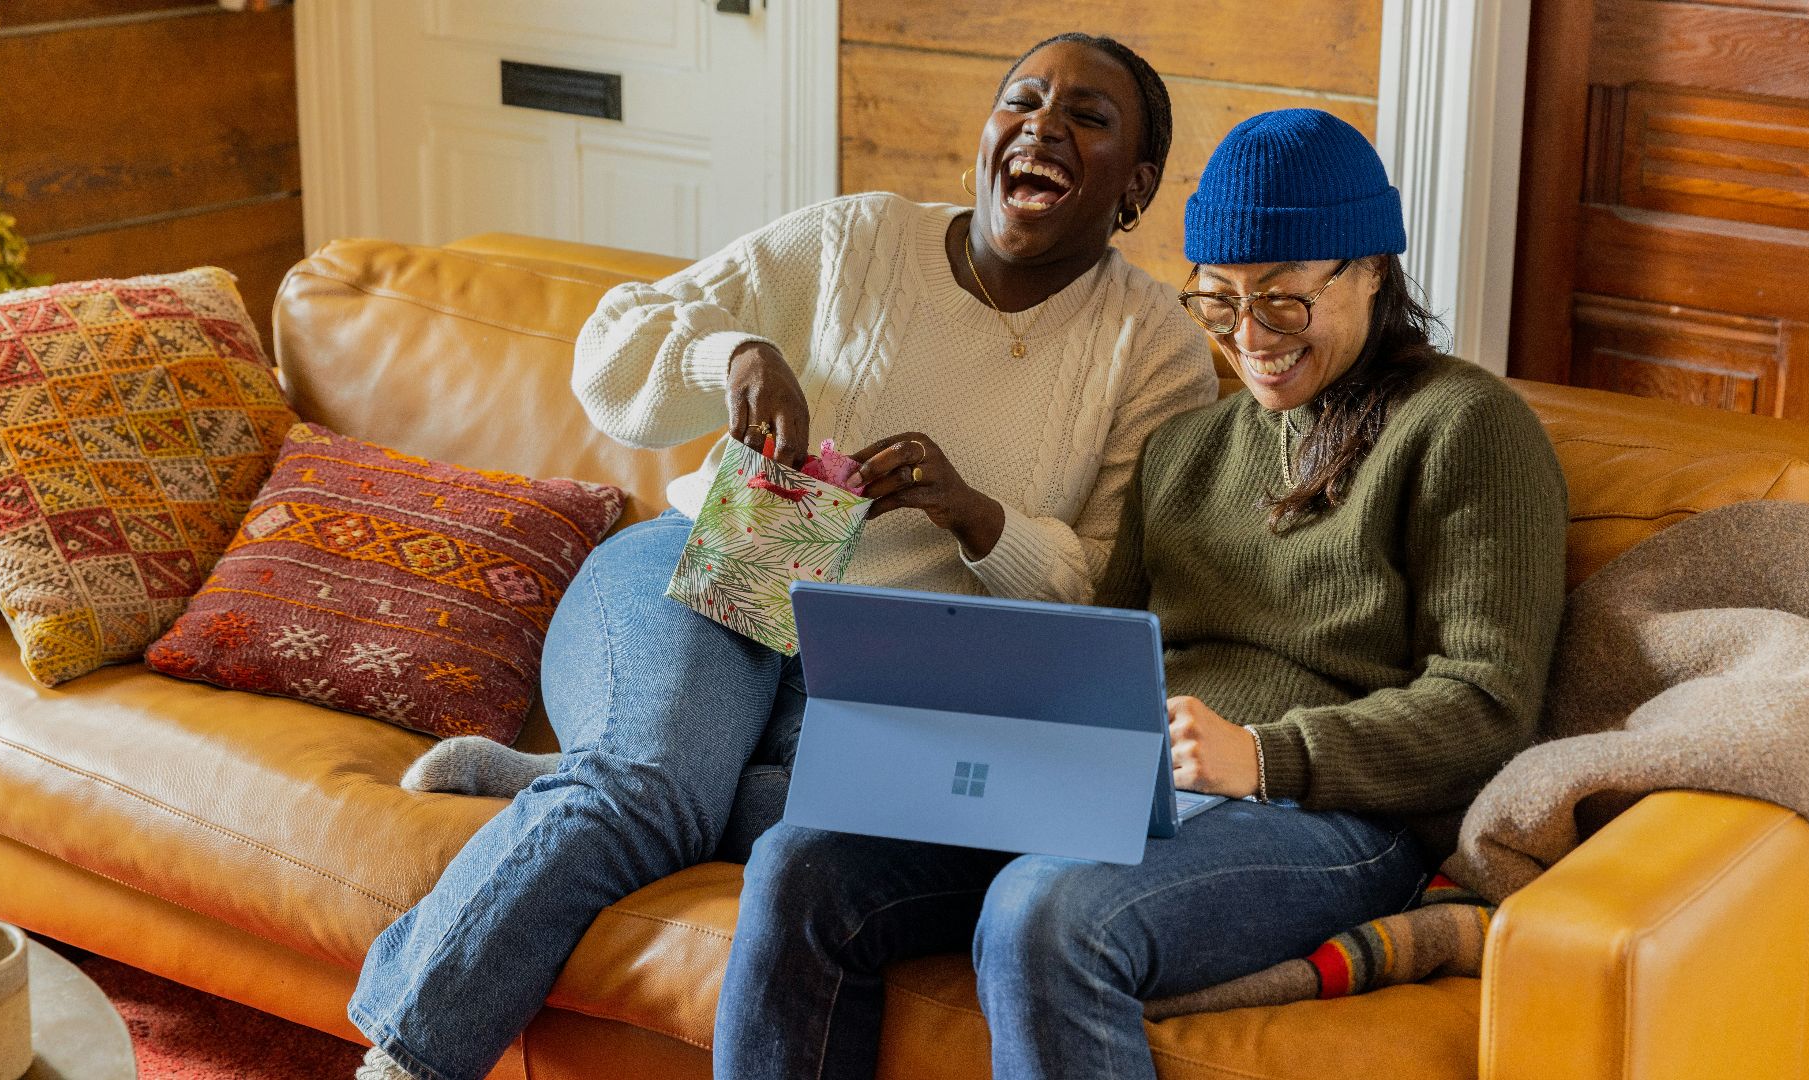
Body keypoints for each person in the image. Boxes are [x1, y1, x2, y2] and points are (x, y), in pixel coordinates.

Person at [346, 33, 1218, 1080]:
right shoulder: (862, 240)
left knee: (890, 812)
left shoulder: (1154, 343)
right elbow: (612, 344)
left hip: (892, 664)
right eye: (1022, 101)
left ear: (1137, 184)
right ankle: (407, 1053)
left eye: (1087, 117)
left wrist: (977, 516)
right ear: (984, 141)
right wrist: (736, 353)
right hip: (719, 563)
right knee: (651, 789)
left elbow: (1106, 586)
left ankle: (585, 776)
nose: (1043, 125)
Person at [714, 108, 1569, 1080]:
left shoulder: (1467, 428)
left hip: (1329, 815)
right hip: (1123, 787)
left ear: (1372, 268)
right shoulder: (1188, 448)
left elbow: (1489, 703)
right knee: (802, 861)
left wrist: (1268, 757)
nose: (1249, 338)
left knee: (1047, 914)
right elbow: (1102, 646)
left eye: (1282, 302)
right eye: (1219, 301)